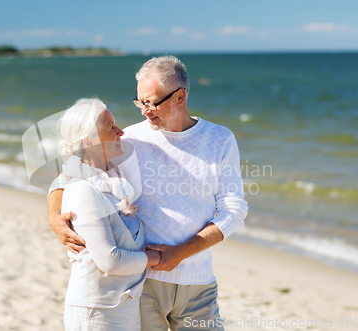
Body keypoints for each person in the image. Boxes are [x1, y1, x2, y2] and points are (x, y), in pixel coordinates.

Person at [49, 56, 248, 331]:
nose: (144, 111)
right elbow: (71, 170)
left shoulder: (219, 139)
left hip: (199, 283)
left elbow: (234, 210)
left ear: (180, 97)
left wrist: (180, 253)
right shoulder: (128, 139)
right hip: (143, 284)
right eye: (139, 101)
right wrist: (53, 216)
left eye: (152, 102)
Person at [53, 98, 161, 331]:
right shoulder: (82, 189)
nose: (120, 132)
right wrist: (157, 259)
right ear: (88, 141)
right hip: (97, 310)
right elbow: (109, 260)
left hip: (122, 305)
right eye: (110, 127)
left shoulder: (116, 181)